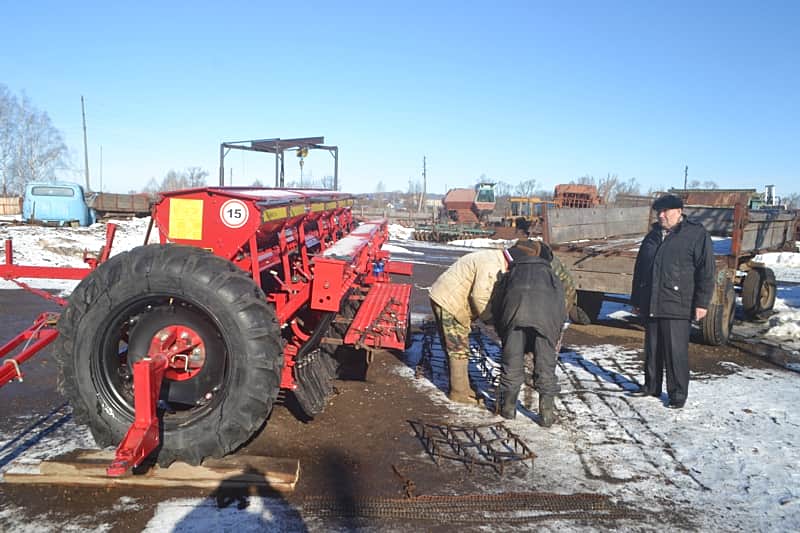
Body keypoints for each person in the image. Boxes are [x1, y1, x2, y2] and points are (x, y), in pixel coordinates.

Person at [429, 243, 578, 404]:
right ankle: (459, 393)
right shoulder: (493, 266)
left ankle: (463, 388)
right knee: (457, 347)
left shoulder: (500, 260)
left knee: (455, 346)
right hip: (449, 299)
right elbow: (480, 298)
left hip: (451, 295)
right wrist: (494, 322)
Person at [630, 194, 715, 409]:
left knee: (675, 351)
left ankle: (677, 394)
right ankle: (651, 385)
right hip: (651, 300)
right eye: (658, 212)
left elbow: (706, 271)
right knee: (653, 347)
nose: (661, 216)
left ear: (678, 211)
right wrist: (637, 299)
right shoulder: (653, 236)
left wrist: (702, 303)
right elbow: (640, 270)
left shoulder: (695, 234)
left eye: (665, 212)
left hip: (678, 302)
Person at [493, 239, 567, 426]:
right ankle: (547, 415)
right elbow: (561, 306)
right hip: (545, 322)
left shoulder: (512, 273)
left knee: (512, 364)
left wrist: (503, 330)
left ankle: (509, 409)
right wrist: (554, 332)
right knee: (545, 366)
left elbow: (497, 304)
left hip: (515, 318)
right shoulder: (552, 275)